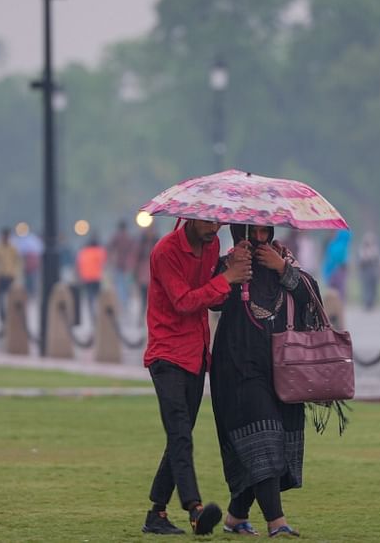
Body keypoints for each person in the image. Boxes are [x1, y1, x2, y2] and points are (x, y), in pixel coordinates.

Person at [211, 224, 325, 538]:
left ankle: (236, 516)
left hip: (283, 368)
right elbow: (212, 300)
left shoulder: (284, 260)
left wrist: (282, 268)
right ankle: (277, 522)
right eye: (252, 231)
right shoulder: (228, 264)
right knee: (264, 438)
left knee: (274, 442)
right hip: (238, 368)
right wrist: (231, 271)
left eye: (264, 230)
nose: (259, 237)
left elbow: (310, 296)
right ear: (238, 231)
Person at [140, 218, 250, 536]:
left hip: (196, 354)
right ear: (190, 216)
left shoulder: (212, 245)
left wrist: (228, 270)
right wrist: (225, 277)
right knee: (180, 436)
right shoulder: (165, 251)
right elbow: (183, 301)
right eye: (208, 222)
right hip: (166, 355)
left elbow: (211, 301)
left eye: (218, 222)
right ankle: (194, 509)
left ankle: (156, 513)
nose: (215, 228)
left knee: (180, 435)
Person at [0, 227, 22, 324]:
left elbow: (18, 262)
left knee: (11, 298)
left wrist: (15, 274)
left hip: (10, 276)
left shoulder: (13, 248)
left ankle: (10, 318)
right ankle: (2, 318)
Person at [76, 235, 107, 325]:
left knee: (89, 297)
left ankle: (91, 313)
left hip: (86, 277)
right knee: (98, 296)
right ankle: (98, 312)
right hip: (97, 277)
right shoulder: (99, 251)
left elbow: (78, 265)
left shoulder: (83, 252)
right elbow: (104, 262)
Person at [109, 219, 136, 310]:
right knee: (126, 287)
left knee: (120, 287)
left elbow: (110, 249)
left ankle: (122, 305)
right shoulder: (129, 238)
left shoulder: (116, 237)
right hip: (127, 266)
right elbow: (133, 251)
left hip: (118, 265)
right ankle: (125, 305)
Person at [134, 225, 159, 323]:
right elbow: (136, 259)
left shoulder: (157, 242)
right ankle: (141, 319)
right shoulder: (141, 244)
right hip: (143, 276)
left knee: (153, 300)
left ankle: (150, 319)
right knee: (143, 299)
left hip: (153, 276)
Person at [322, 230, 351, 299]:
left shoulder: (333, 244)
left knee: (333, 290)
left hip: (333, 270)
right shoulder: (342, 245)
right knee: (340, 290)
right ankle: (337, 305)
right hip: (337, 270)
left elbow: (329, 257)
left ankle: (333, 305)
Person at [357, 232, 380, 310]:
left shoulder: (374, 248)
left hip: (373, 270)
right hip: (365, 270)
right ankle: (367, 302)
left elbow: (375, 259)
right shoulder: (362, 250)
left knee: (373, 287)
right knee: (366, 287)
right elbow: (362, 260)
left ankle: (372, 302)